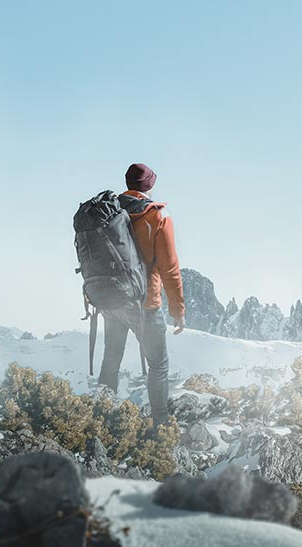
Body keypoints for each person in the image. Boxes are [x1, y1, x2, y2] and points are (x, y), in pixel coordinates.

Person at [98, 162, 185, 426]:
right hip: (144, 303)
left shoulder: (108, 211)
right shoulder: (157, 216)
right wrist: (178, 310)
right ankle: (160, 428)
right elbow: (169, 267)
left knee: (111, 359)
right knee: (158, 365)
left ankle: (101, 419)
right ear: (150, 185)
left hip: (112, 300)